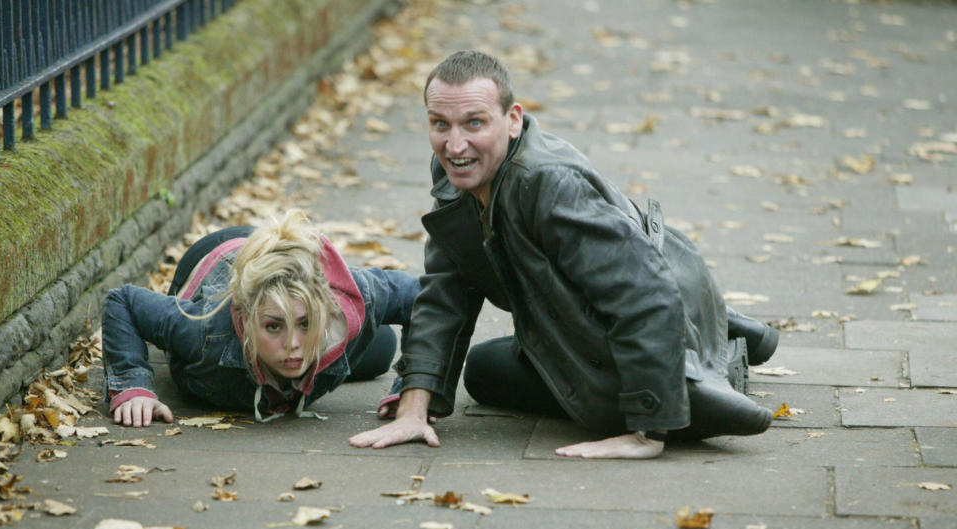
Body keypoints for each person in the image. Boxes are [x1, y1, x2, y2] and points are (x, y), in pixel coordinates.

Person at [349, 50, 779, 459]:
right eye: (440, 124)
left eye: (474, 123)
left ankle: (709, 358)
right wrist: (413, 409)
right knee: (483, 371)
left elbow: (645, 293)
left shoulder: (550, 186)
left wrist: (646, 430)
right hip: (574, 314)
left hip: (648, 302)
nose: (455, 144)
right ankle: (713, 336)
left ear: (513, 120)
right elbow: (446, 288)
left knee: (602, 405)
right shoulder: (457, 168)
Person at [102, 211, 420, 426]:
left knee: (381, 347)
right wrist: (132, 386)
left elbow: (421, 296)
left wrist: (414, 387)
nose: (293, 345)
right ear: (247, 318)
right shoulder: (201, 329)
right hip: (214, 252)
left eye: (306, 324)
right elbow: (123, 302)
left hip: (283, 259)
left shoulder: (358, 299)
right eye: (273, 327)